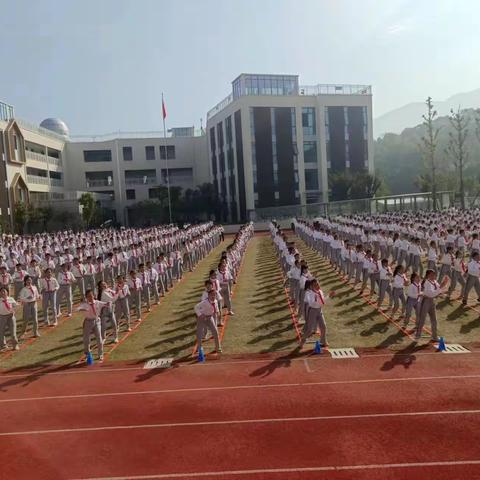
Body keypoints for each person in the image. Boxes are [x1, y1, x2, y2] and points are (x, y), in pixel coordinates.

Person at [415, 269, 448, 342]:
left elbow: (438, 291)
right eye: (432, 274)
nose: (434, 276)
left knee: (434, 320)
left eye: (434, 274)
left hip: (432, 301)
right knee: (422, 319)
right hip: (426, 301)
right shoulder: (427, 282)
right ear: (428, 275)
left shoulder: (434, 282)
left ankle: (434, 336)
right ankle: (418, 335)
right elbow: (431, 293)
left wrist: (443, 289)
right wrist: (441, 286)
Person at [300, 278, 334, 348]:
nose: (318, 286)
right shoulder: (309, 293)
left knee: (323, 326)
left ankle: (323, 341)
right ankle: (302, 340)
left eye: (318, 284)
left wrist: (329, 296)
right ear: (312, 286)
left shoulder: (320, 291)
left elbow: (323, 301)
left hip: (319, 310)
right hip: (312, 311)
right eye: (316, 285)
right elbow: (311, 304)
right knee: (309, 330)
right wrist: (317, 299)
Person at [76, 289, 106, 362]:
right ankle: (87, 353)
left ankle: (100, 354)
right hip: (88, 321)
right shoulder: (85, 304)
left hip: (96, 321)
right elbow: (77, 309)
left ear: (93, 295)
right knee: (86, 339)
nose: (90, 297)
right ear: (86, 297)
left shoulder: (97, 302)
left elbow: (105, 303)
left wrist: (109, 303)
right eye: (88, 296)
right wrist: (82, 309)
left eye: (91, 295)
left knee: (99, 338)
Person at [194, 289, 222, 355]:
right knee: (199, 333)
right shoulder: (204, 302)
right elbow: (196, 307)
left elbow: (216, 309)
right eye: (212, 295)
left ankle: (218, 347)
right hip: (202, 319)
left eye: (214, 295)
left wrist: (217, 313)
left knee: (215, 331)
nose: (213, 296)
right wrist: (200, 315)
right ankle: (199, 347)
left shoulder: (215, 301)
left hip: (209, 318)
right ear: (209, 295)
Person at [0, 286, 19, 351]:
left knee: (13, 332)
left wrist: (13, 311)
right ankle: (3, 346)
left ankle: (15, 345)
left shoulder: (11, 299)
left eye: (4, 291)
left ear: (7, 292)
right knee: (1, 332)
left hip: (11, 317)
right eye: (1, 291)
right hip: (2, 317)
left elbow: (15, 306)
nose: (2, 293)